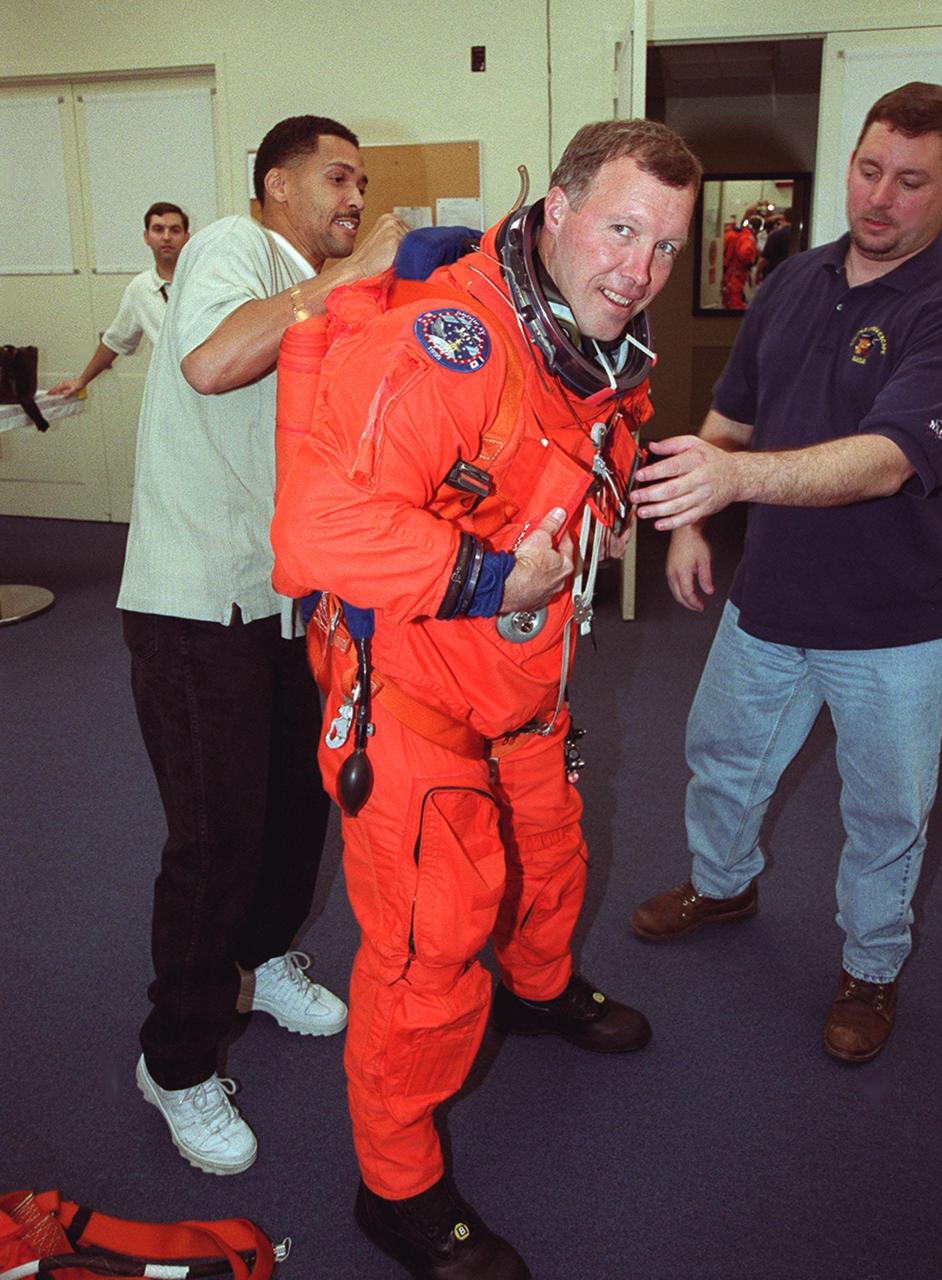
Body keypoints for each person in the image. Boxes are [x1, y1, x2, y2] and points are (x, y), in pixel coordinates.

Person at [271, 118, 700, 1278]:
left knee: (551, 859)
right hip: (419, 706)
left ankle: (541, 988)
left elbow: (589, 453)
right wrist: (489, 577)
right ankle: (395, 1187)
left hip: (524, 690)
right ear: (555, 210)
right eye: (620, 228)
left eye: (665, 245)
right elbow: (313, 532)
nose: (640, 269)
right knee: (428, 950)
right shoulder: (446, 345)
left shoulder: (596, 344)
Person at [629, 81, 942, 1066]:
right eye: (867, 170)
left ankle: (871, 966)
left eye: (910, 180)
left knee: (886, 812)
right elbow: (737, 409)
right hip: (768, 596)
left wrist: (729, 477)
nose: (880, 198)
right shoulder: (792, 280)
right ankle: (722, 882)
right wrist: (694, 519)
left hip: (893, 622)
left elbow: (886, 458)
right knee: (720, 753)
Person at [119, 115, 407, 1175]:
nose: (352, 195)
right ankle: (178, 1060)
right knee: (217, 839)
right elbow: (207, 362)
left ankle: (261, 960)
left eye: (361, 181)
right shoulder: (232, 251)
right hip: (195, 604)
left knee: (299, 811)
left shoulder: (312, 282)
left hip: (283, 602)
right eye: (338, 176)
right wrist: (354, 273)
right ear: (275, 182)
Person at [49, 203, 190, 397]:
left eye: (174, 230)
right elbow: (115, 341)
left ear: (186, 238)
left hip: (214, 386)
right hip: (172, 391)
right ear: (146, 237)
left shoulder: (205, 280)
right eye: (158, 229)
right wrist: (82, 380)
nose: (166, 237)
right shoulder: (140, 288)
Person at [755, 206, 792, 283]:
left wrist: (757, 274)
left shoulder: (775, 235)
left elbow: (764, 259)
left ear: (784, 218)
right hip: (792, 276)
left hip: (774, 276)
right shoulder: (801, 237)